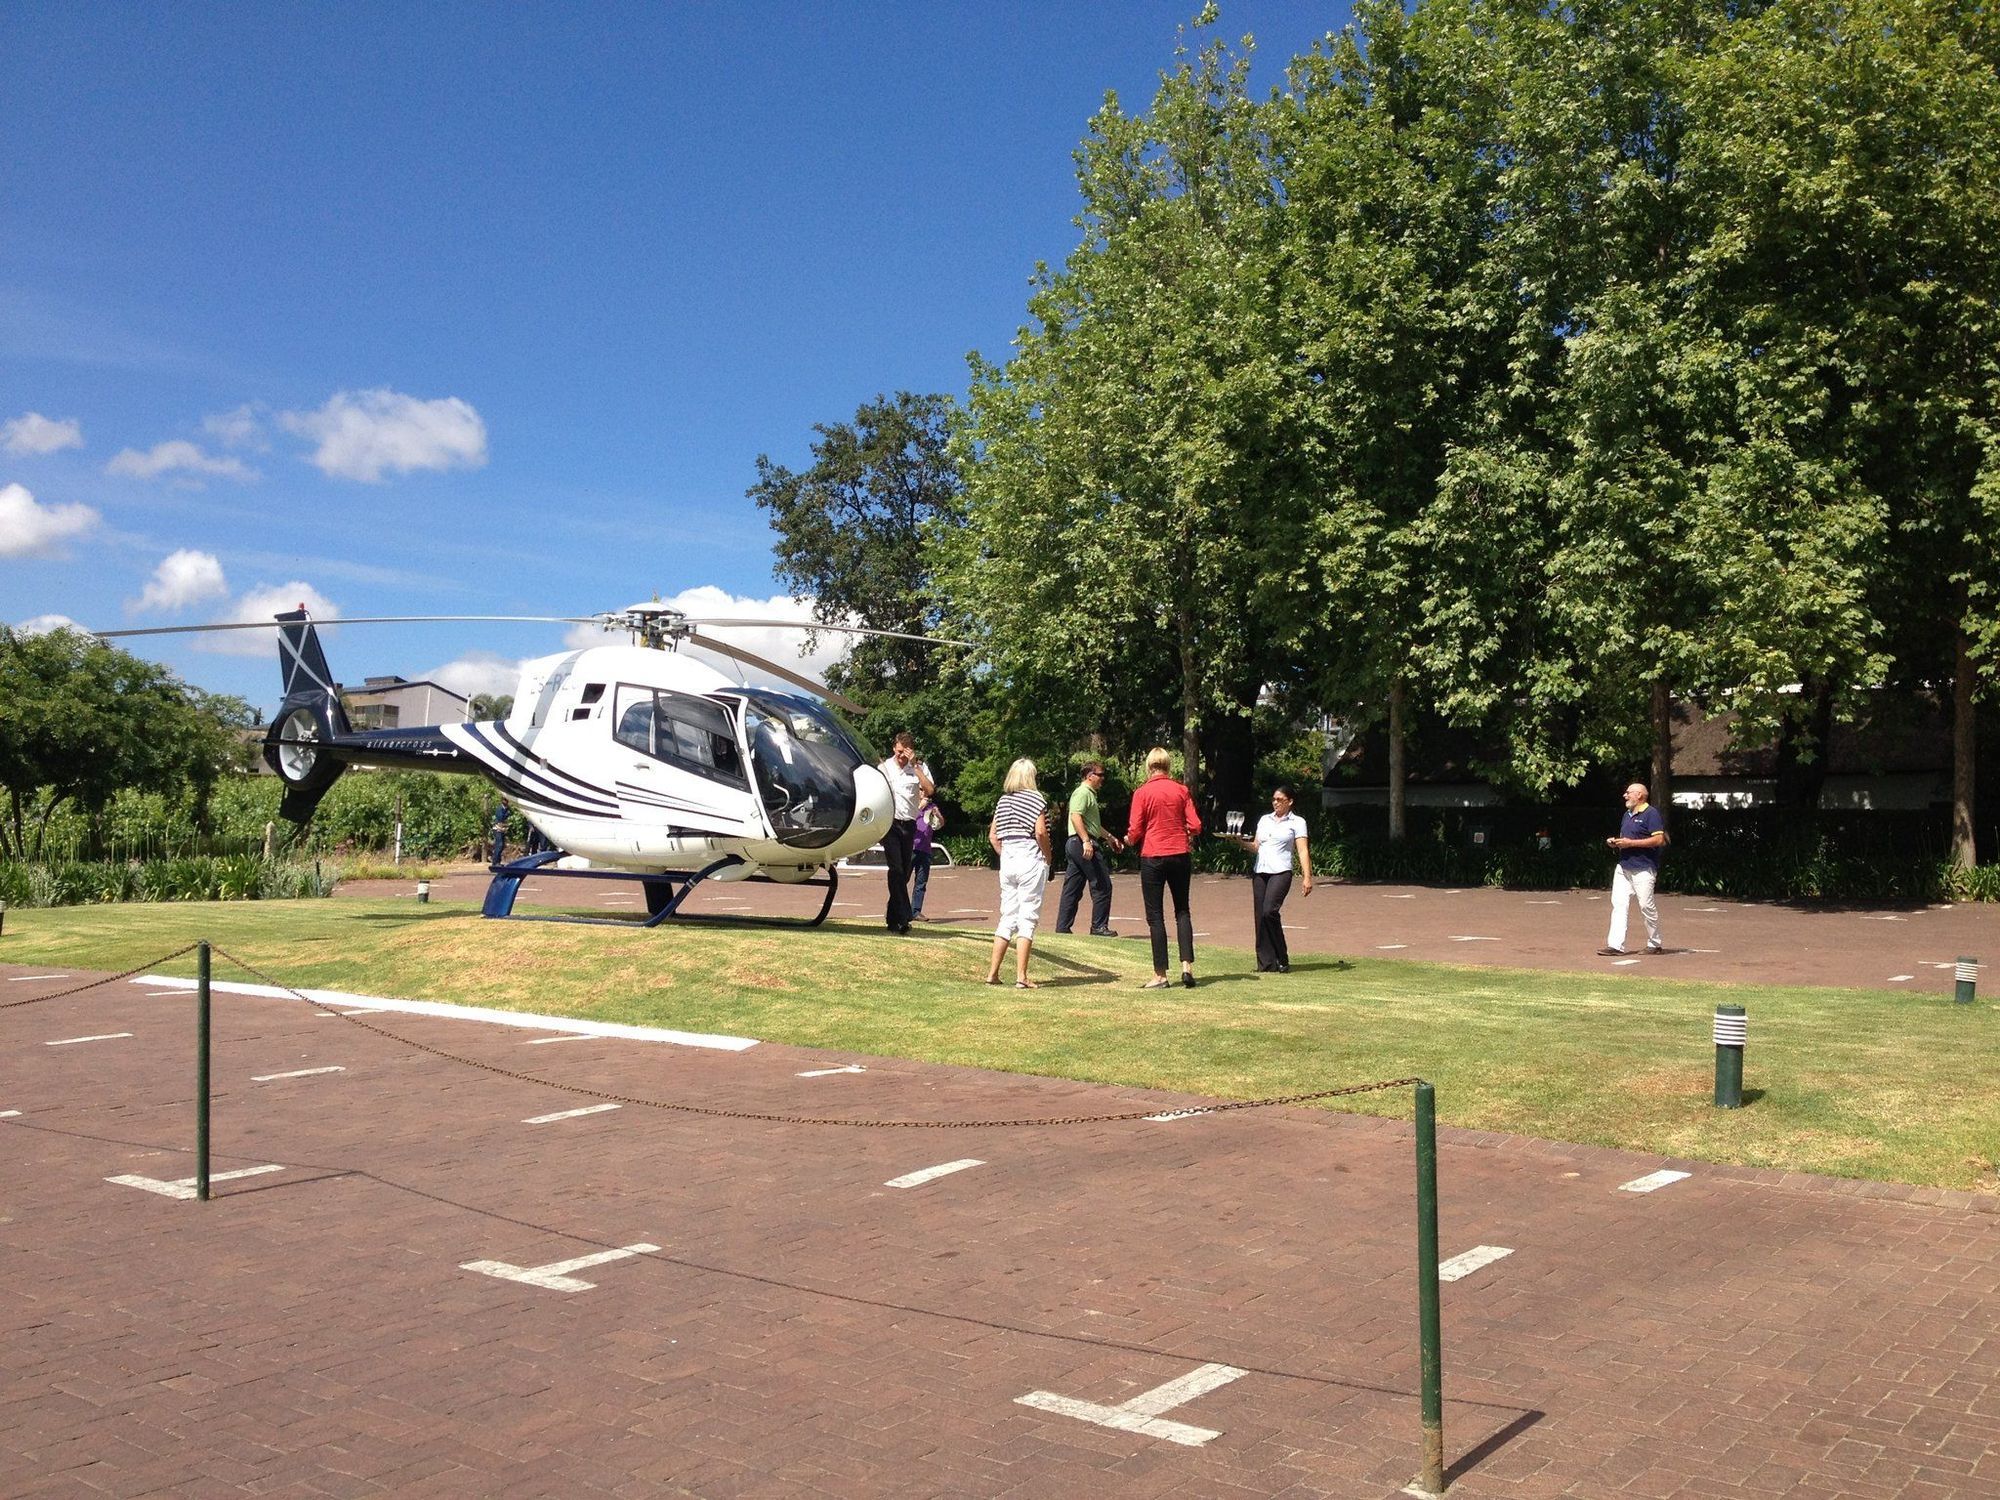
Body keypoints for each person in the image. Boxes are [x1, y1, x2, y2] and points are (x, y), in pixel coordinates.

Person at [1125, 747, 1203, 988]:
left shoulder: (1142, 792)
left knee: (1155, 915)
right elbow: (1196, 825)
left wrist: (1128, 839)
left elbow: (1136, 829)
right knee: (1182, 910)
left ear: (1149, 767)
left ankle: (1160, 974)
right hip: (1180, 852)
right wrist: (1184, 833)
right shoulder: (1181, 790)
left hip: (1153, 854)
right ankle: (1187, 966)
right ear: (1169, 766)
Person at [984, 758, 1051, 987]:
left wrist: (1004, 853)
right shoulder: (1036, 799)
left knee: (1007, 916)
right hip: (1029, 856)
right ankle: (1021, 976)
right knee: (1028, 917)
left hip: (1009, 857)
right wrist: (1048, 858)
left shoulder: (1003, 801)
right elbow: (1041, 832)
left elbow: (993, 836)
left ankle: (993, 973)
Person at [1231, 785, 1313, 972]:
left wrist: (1307, 877)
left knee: (1269, 911)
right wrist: (1240, 842)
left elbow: (1302, 850)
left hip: (1281, 871)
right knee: (1260, 916)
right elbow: (1257, 846)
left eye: (1280, 799)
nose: (1275, 802)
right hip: (1261, 872)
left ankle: (1282, 957)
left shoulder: (1297, 822)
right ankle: (1266, 963)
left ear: (1290, 801)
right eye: (1274, 799)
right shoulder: (1264, 820)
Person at [1054, 761, 1123, 936]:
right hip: (1081, 843)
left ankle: (1062, 928)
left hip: (1076, 842)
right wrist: (1086, 841)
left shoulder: (1089, 794)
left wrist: (1109, 838)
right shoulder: (1083, 793)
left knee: (1073, 888)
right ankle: (1099, 927)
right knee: (1102, 884)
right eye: (1100, 775)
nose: (1102, 778)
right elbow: (1076, 816)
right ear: (1089, 776)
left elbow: (1093, 825)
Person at [876, 731, 934, 934]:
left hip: (909, 824)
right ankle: (903, 916)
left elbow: (930, 789)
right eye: (899, 752)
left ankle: (892, 918)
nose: (901, 757)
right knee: (896, 870)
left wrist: (915, 766)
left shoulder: (918, 767)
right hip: (890, 823)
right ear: (894, 748)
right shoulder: (884, 768)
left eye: (905, 753)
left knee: (903, 873)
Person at [1600, 781, 1667, 956]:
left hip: (1643, 868)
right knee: (1619, 905)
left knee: (1646, 905)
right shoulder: (1627, 814)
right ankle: (1615, 945)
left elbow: (1659, 840)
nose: (1625, 795)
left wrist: (1631, 843)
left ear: (1640, 795)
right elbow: (1626, 839)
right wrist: (1616, 842)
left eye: (1629, 792)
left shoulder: (1651, 814)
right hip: (1623, 867)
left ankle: (1655, 943)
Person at [910, 794, 942, 920]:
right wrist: (919, 808)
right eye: (921, 790)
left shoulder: (932, 807)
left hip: (925, 850)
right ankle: (896, 908)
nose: (924, 794)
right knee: (903, 879)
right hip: (912, 848)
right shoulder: (912, 805)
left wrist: (937, 814)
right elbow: (909, 820)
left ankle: (916, 911)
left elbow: (941, 824)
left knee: (921, 882)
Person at [490, 800, 510, 866]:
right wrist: (506, 814)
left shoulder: (507, 808)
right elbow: (500, 818)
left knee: (501, 846)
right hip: (497, 829)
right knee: (499, 845)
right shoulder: (499, 808)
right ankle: (495, 862)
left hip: (503, 829)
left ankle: (498, 861)